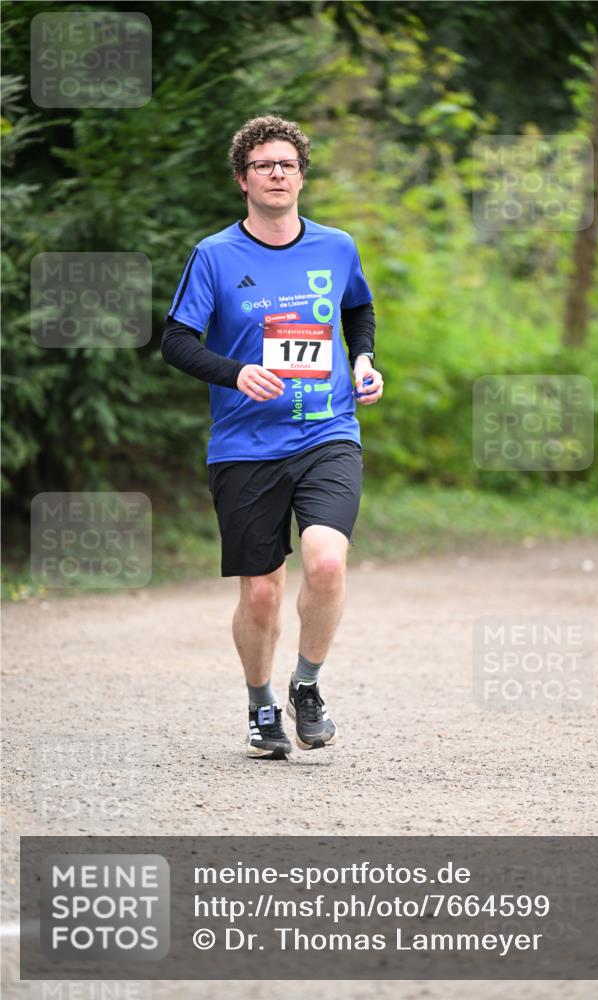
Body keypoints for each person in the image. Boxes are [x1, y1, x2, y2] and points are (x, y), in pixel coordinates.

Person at [162, 115, 383, 760]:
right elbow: (176, 342)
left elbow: (357, 309)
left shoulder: (337, 247)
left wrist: (363, 360)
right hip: (244, 446)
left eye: (287, 164)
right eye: (264, 165)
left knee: (326, 561)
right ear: (243, 180)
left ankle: (306, 685)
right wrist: (237, 373)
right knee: (261, 590)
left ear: (302, 176)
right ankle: (261, 702)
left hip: (328, 432)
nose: (277, 173)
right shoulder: (214, 255)